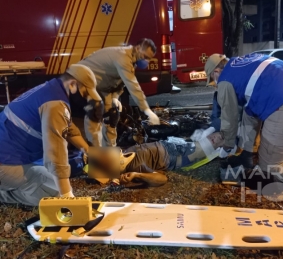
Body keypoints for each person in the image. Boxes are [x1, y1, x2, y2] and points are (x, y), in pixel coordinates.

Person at [203, 52, 283, 193]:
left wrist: (227, 146)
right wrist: (246, 151)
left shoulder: (224, 79)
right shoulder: (245, 61)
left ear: (216, 71)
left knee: (271, 168)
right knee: (249, 114)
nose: (214, 85)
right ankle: (248, 154)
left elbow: (229, 118)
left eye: (212, 80)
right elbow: (250, 112)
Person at [0, 64, 102, 206]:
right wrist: (67, 197)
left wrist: (88, 150)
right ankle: (3, 195)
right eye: (85, 93)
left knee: (48, 177)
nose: (86, 99)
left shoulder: (52, 90)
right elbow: (55, 152)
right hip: (5, 161)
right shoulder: (55, 104)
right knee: (53, 195)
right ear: (73, 84)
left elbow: (67, 126)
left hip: (10, 153)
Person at [77, 38, 161, 148]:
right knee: (95, 114)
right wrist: (146, 110)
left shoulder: (132, 61)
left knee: (112, 114)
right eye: (145, 57)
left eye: (149, 59)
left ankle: (110, 149)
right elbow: (133, 86)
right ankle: (94, 152)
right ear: (138, 48)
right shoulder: (123, 57)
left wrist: (115, 97)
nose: (146, 61)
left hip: (101, 86)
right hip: (84, 81)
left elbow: (120, 82)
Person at [87, 132, 225, 187]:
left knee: (209, 134)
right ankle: (231, 140)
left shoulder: (126, 154)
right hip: (176, 155)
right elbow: (162, 179)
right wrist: (137, 175)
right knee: (216, 139)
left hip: (169, 144)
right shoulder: (137, 167)